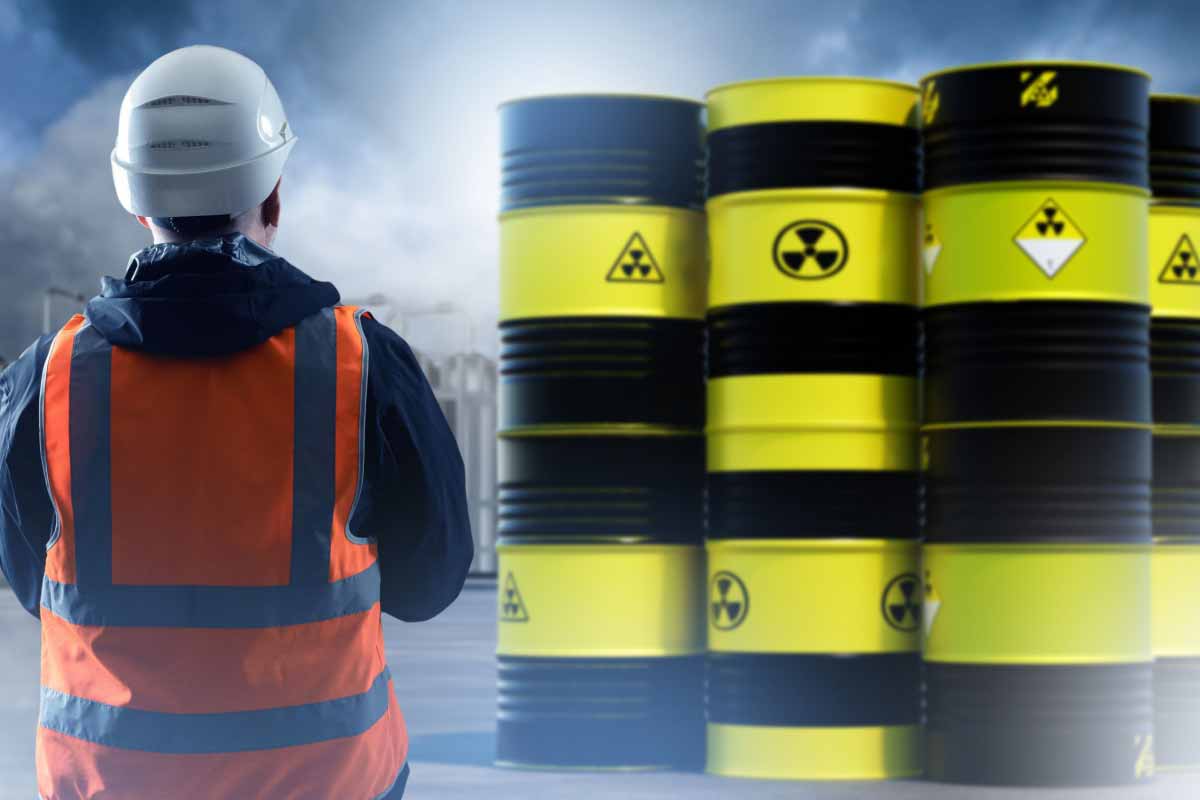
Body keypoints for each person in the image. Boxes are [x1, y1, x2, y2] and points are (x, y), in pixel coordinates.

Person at [0, 45, 473, 799]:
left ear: (135, 199)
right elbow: (430, 584)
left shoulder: (43, 379)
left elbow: (34, 584)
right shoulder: (364, 363)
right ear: (275, 196)